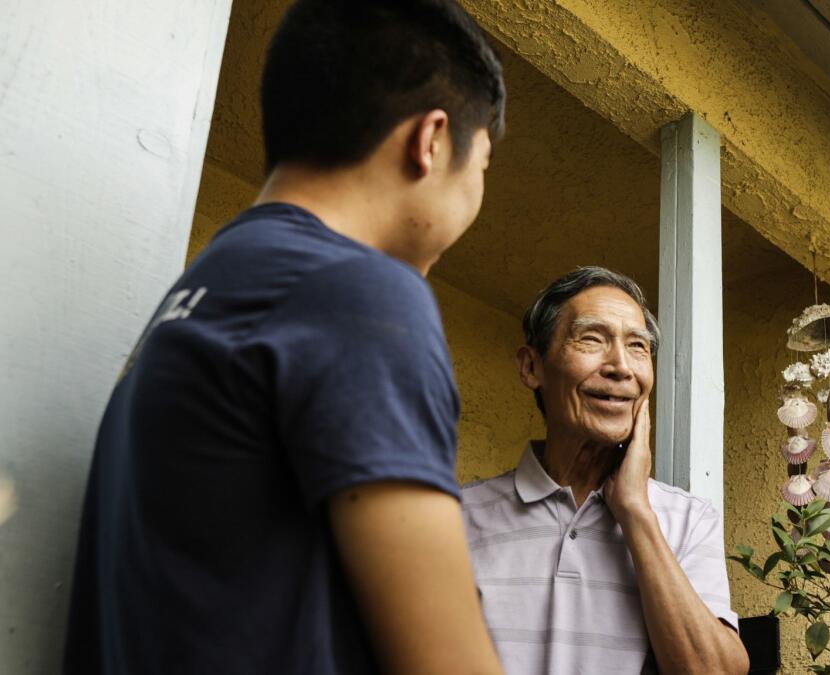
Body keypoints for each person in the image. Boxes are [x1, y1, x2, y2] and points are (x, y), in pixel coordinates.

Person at [63, 1, 506, 673]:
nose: (477, 197)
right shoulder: (358, 292)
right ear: (432, 141)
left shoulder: (206, 290)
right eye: (482, 168)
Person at [461, 266, 749, 674]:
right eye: (592, 339)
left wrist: (636, 512)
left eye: (637, 347)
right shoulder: (456, 519)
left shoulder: (689, 519)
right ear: (531, 367)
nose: (621, 367)